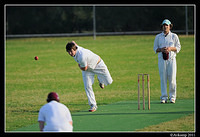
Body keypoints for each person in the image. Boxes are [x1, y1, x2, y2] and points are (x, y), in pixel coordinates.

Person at [66, 41, 113, 112]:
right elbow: (73, 42)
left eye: (71, 51)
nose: (70, 53)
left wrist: (79, 66)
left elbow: (83, 68)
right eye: (68, 52)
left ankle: (100, 79)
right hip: (88, 70)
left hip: (98, 65)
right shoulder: (75, 47)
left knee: (109, 82)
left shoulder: (81, 56)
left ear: (75, 49)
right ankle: (93, 105)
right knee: (87, 86)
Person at [153, 19, 181, 104]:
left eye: (167, 25)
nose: (165, 27)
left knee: (172, 78)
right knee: (163, 78)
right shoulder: (158, 37)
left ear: (170, 26)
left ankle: (172, 97)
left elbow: (178, 47)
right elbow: (155, 48)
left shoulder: (174, 36)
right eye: (164, 25)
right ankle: (164, 97)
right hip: (162, 59)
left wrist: (170, 49)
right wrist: (161, 49)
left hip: (171, 59)